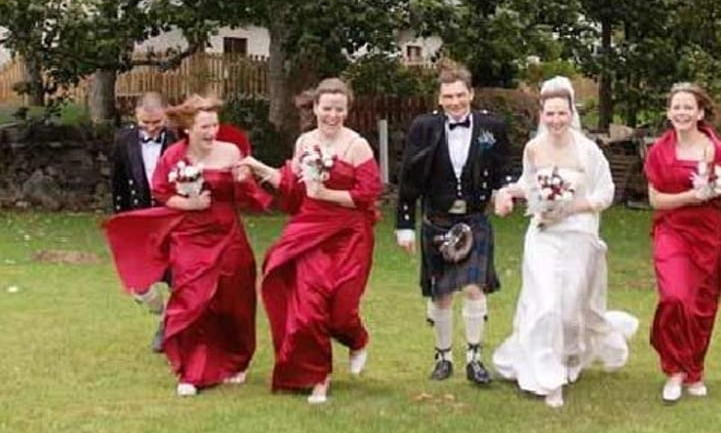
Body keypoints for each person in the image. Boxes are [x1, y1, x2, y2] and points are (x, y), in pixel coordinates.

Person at [105, 94, 271, 396]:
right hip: (191, 236)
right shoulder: (174, 156)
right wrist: (190, 204)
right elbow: (161, 192)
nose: (211, 132)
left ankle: (235, 359)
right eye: (204, 127)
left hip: (229, 234)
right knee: (192, 300)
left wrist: (244, 180)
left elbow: (247, 200)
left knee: (234, 300)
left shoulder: (232, 151)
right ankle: (191, 371)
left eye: (215, 125)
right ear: (188, 129)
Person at [491, 76, 638, 408]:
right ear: (542, 115)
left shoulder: (588, 151)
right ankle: (547, 376)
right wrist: (506, 194)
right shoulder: (534, 148)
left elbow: (605, 193)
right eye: (550, 114)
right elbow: (528, 184)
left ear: (572, 113)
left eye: (562, 113)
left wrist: (570, 208)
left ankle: (571, 355)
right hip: (543, 233)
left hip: (578, 233)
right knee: (545, 304)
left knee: (570, 307)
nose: (556, 120)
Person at [237, 77, 382, 404]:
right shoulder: (304, 142)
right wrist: (258, 167)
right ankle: (317, 377)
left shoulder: (357, 146)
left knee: (342, 311)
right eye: (327, 108)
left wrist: (326, 193)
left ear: (347, 111)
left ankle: (356, 339)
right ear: (315, 108)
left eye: (339, 109)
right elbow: (293, 187)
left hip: (349, 235)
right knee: (309, 308)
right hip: (310, 231)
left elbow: (368, 194)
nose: (333, 115)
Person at [644, 82, 721, 403]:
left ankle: (694, 371)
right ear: (669, 113)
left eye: (688, 107)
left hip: (708, 236)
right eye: (676, 107)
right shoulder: (659, 152)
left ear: (699, 113)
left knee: (701, 307)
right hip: (672, 231)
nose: (682, 112)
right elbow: (656, 200)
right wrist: (690, 197)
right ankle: (674, 370)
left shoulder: (718, 150)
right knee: (674, 298)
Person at [395, 62, 512, 385]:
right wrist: (405, 224)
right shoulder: (424, 127)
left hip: (474, 219)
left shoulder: (492, 126)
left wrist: (504, 193)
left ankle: (474, 358)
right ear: (440, 98)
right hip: (438, 220)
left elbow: (504, 168)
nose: (455, 102)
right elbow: (408, 178)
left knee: (474, 287)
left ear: (471, 94)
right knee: (442, 293)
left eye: (460, 95)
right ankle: (443, 357)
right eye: (448, 96)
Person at [110, 91, 177, 352]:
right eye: (144, 123)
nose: (150, 128)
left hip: (172, 218)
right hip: (138, 219)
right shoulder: (123, 140)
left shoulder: (179, 139)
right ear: (136, 116)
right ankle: (162, 314)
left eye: (156, 122)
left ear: (166, 116)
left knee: (177, 277)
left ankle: (168, 327)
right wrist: (121, 222)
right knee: (138, 282)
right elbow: (117, 183)